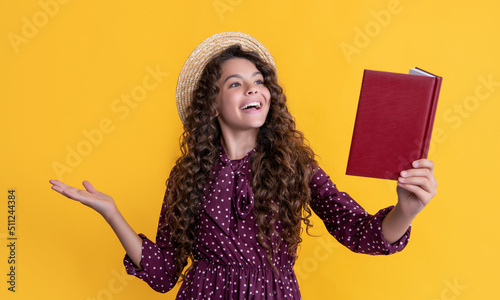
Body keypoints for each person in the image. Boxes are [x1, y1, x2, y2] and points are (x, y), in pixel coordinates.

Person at [49, 32, 437, 299]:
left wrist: (405, 210)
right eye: (234, 84)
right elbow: (165, 273)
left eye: (258, 80)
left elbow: (359, 232)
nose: (252, 88)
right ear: (212, 104)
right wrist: (112, 213)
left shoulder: (294, 166)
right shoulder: (186, 176)